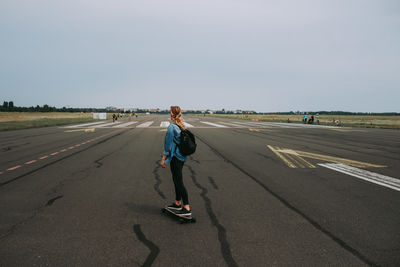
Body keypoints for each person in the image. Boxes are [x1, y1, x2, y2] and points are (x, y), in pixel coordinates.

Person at [160, 106, 191, 216]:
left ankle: (186, 207)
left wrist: (163, 159)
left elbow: (167, 146)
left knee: (178, 181)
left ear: (171, 114)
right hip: (182, 157)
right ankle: (178, 203)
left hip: (175, 157)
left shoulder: (171, 128)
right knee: (176, 179)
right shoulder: (183, 125)